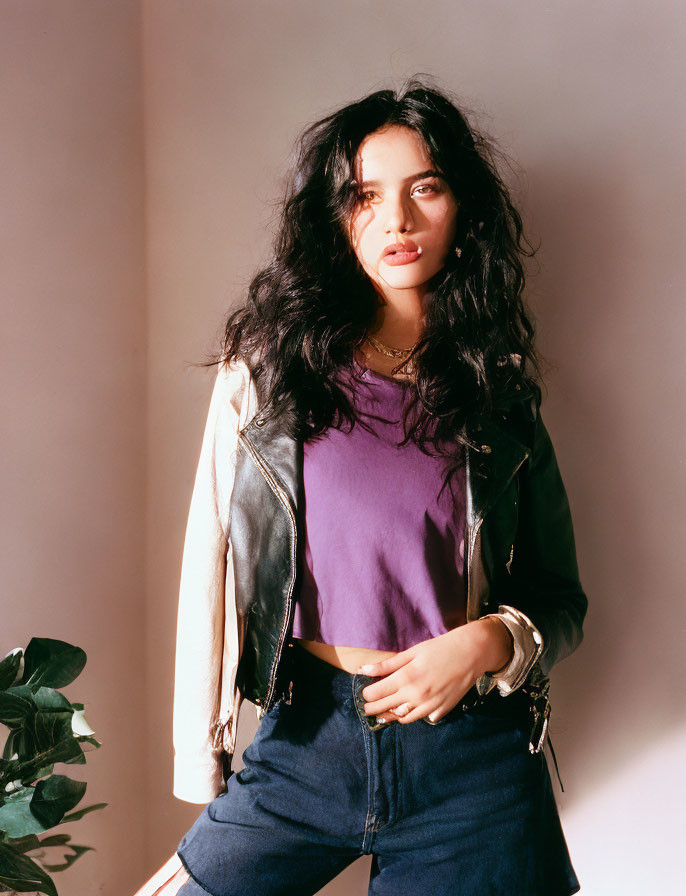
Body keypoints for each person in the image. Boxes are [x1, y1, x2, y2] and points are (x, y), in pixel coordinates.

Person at [137, 78, 587, 896]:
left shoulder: (501, 392)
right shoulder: (268, 373)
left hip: (471, 765)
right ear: (335, 217)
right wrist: (200, 759)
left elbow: (560, 598)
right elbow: (210, 555)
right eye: (366, 196)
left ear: (463, 209)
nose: (398, 221)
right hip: (308, 739)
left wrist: (486, 641)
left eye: (426, 188)